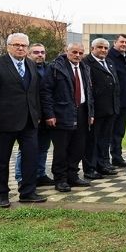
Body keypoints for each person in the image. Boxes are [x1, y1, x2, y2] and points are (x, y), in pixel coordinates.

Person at [0, 32, 47, 207]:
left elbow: (34, 93)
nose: (20, 48)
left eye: (23, 45)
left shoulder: (30, 65)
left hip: (29, 122)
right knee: (2, 159)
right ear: (8, 46)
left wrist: (37, 115)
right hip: (4, 122)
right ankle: (1, 194)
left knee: (30, 157)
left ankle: (28, 191)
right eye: (16, 45)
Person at [42, 42, 95, 191]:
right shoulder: (55, 68)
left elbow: (89, 93)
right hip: (62, 113)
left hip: (82, 112)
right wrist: (49, 114)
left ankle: (73, 176)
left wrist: (91, 113)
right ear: (66, 51)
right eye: (74, 52)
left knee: (78, 147)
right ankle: (60, 179)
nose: (77, 55)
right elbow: (46, 92)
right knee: (61, 149)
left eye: (80, 53)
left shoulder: (85, 68)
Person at [15, 43, 53, 186]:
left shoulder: (49, 68)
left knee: (43, 146)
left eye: (42, 52)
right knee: (26, 148)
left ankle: (40, 174)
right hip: (30, 115)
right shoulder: (24, 69)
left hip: (47, 115)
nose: (40, 55)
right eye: (36, 52)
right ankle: (21, 177)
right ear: (28, 54)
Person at [83, 38, 120, 179]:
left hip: (110, 108)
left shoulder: (109, 62)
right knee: (92, 140)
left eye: (105, 48)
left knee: (105, 139)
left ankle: (103, 164)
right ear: (92, 48)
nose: (103, 50)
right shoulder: (86, 63)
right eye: (100, 47)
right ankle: (90, 168)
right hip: (96, 110)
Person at [107, 33, 126, 168]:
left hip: (124, 101)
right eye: (121, 42)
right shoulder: (109, 57)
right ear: (115, 42)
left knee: (119, 132)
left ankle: (117, 156)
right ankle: (106, 159)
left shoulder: (125, 58)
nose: (124, 44)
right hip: (112, 102)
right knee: (109, 132)